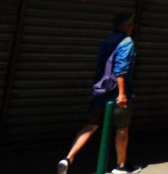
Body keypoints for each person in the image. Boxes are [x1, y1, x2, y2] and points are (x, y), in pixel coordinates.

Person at [57, 13, 138, 174]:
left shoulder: (107, 41)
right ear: (126, 25)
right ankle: (120, 166)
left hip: (100, 91)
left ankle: (68, 158)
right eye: (131, 23)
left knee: (90, 126)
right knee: (122, 128)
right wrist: (122, 94)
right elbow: (121, 69)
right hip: (116, 92)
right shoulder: (126, 41)